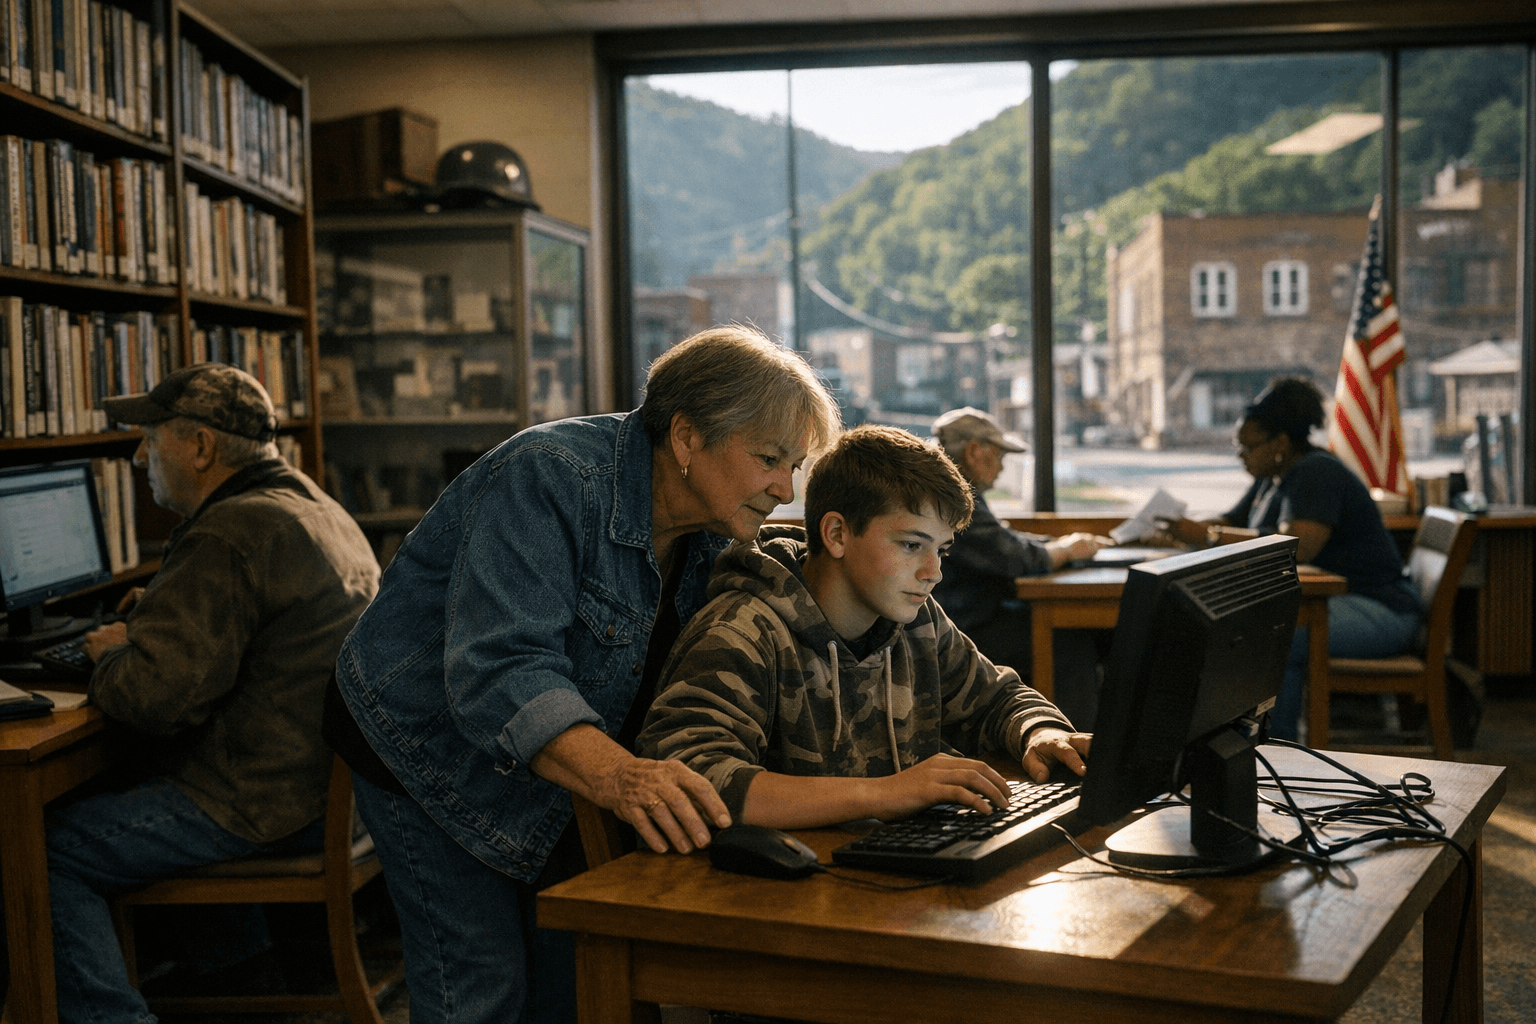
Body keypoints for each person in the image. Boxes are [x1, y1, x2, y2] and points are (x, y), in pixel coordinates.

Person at [327, 326, 842, 1024]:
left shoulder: (715, 528)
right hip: (424, 745)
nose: (784, 489)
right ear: (687, 438)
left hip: (555, 760)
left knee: (576, 973)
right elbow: (500, 667)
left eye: (795, 465)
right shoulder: (549, 475)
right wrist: (622, 776)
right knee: (480, 983)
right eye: (769, 460)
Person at [30, 363, 380, 1024]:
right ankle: (242, 983)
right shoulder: (309, 502)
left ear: (201, 446)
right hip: (335, 796)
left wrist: (111, 654)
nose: (140, 455)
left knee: (37, 848)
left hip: (260, 803)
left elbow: (154, 702)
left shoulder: (227, 532)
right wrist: (161, 612)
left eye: (152, 436)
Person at [637, 425, 1089, 829]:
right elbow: (689, 775)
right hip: (772, 903)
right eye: (912, 545)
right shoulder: (743, 630)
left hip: (880, 885)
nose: (933, 572)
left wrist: (1040, 731)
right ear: (836, 535)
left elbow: (996, 698)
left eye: (942, 550)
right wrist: (887, 793)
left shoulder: (917, 619)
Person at [1159, 377, 1420, 742]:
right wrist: (1174, 528)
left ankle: (1275, 752)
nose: (1240, 456)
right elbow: (1230, 521)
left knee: (1276, 636)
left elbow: (1296, 549)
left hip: (1380, 609)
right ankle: (1233, 745)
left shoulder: (1316, 472)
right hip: (1336, 604)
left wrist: (1204, 537)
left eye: (1247, 447)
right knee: (1246, 628)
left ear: (1280, 443)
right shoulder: (1273, 475)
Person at [929, 407, 1109, 722]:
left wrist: (1058, 545)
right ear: (974, 452)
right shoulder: (951, 494)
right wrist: (1066, 549)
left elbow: (1002, 539)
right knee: (1070, 643)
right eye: (998, 455)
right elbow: (1014, 557)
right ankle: (1078, 751)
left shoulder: (947, 486)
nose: (1001, 467)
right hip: (963, 628)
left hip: (965, 617)